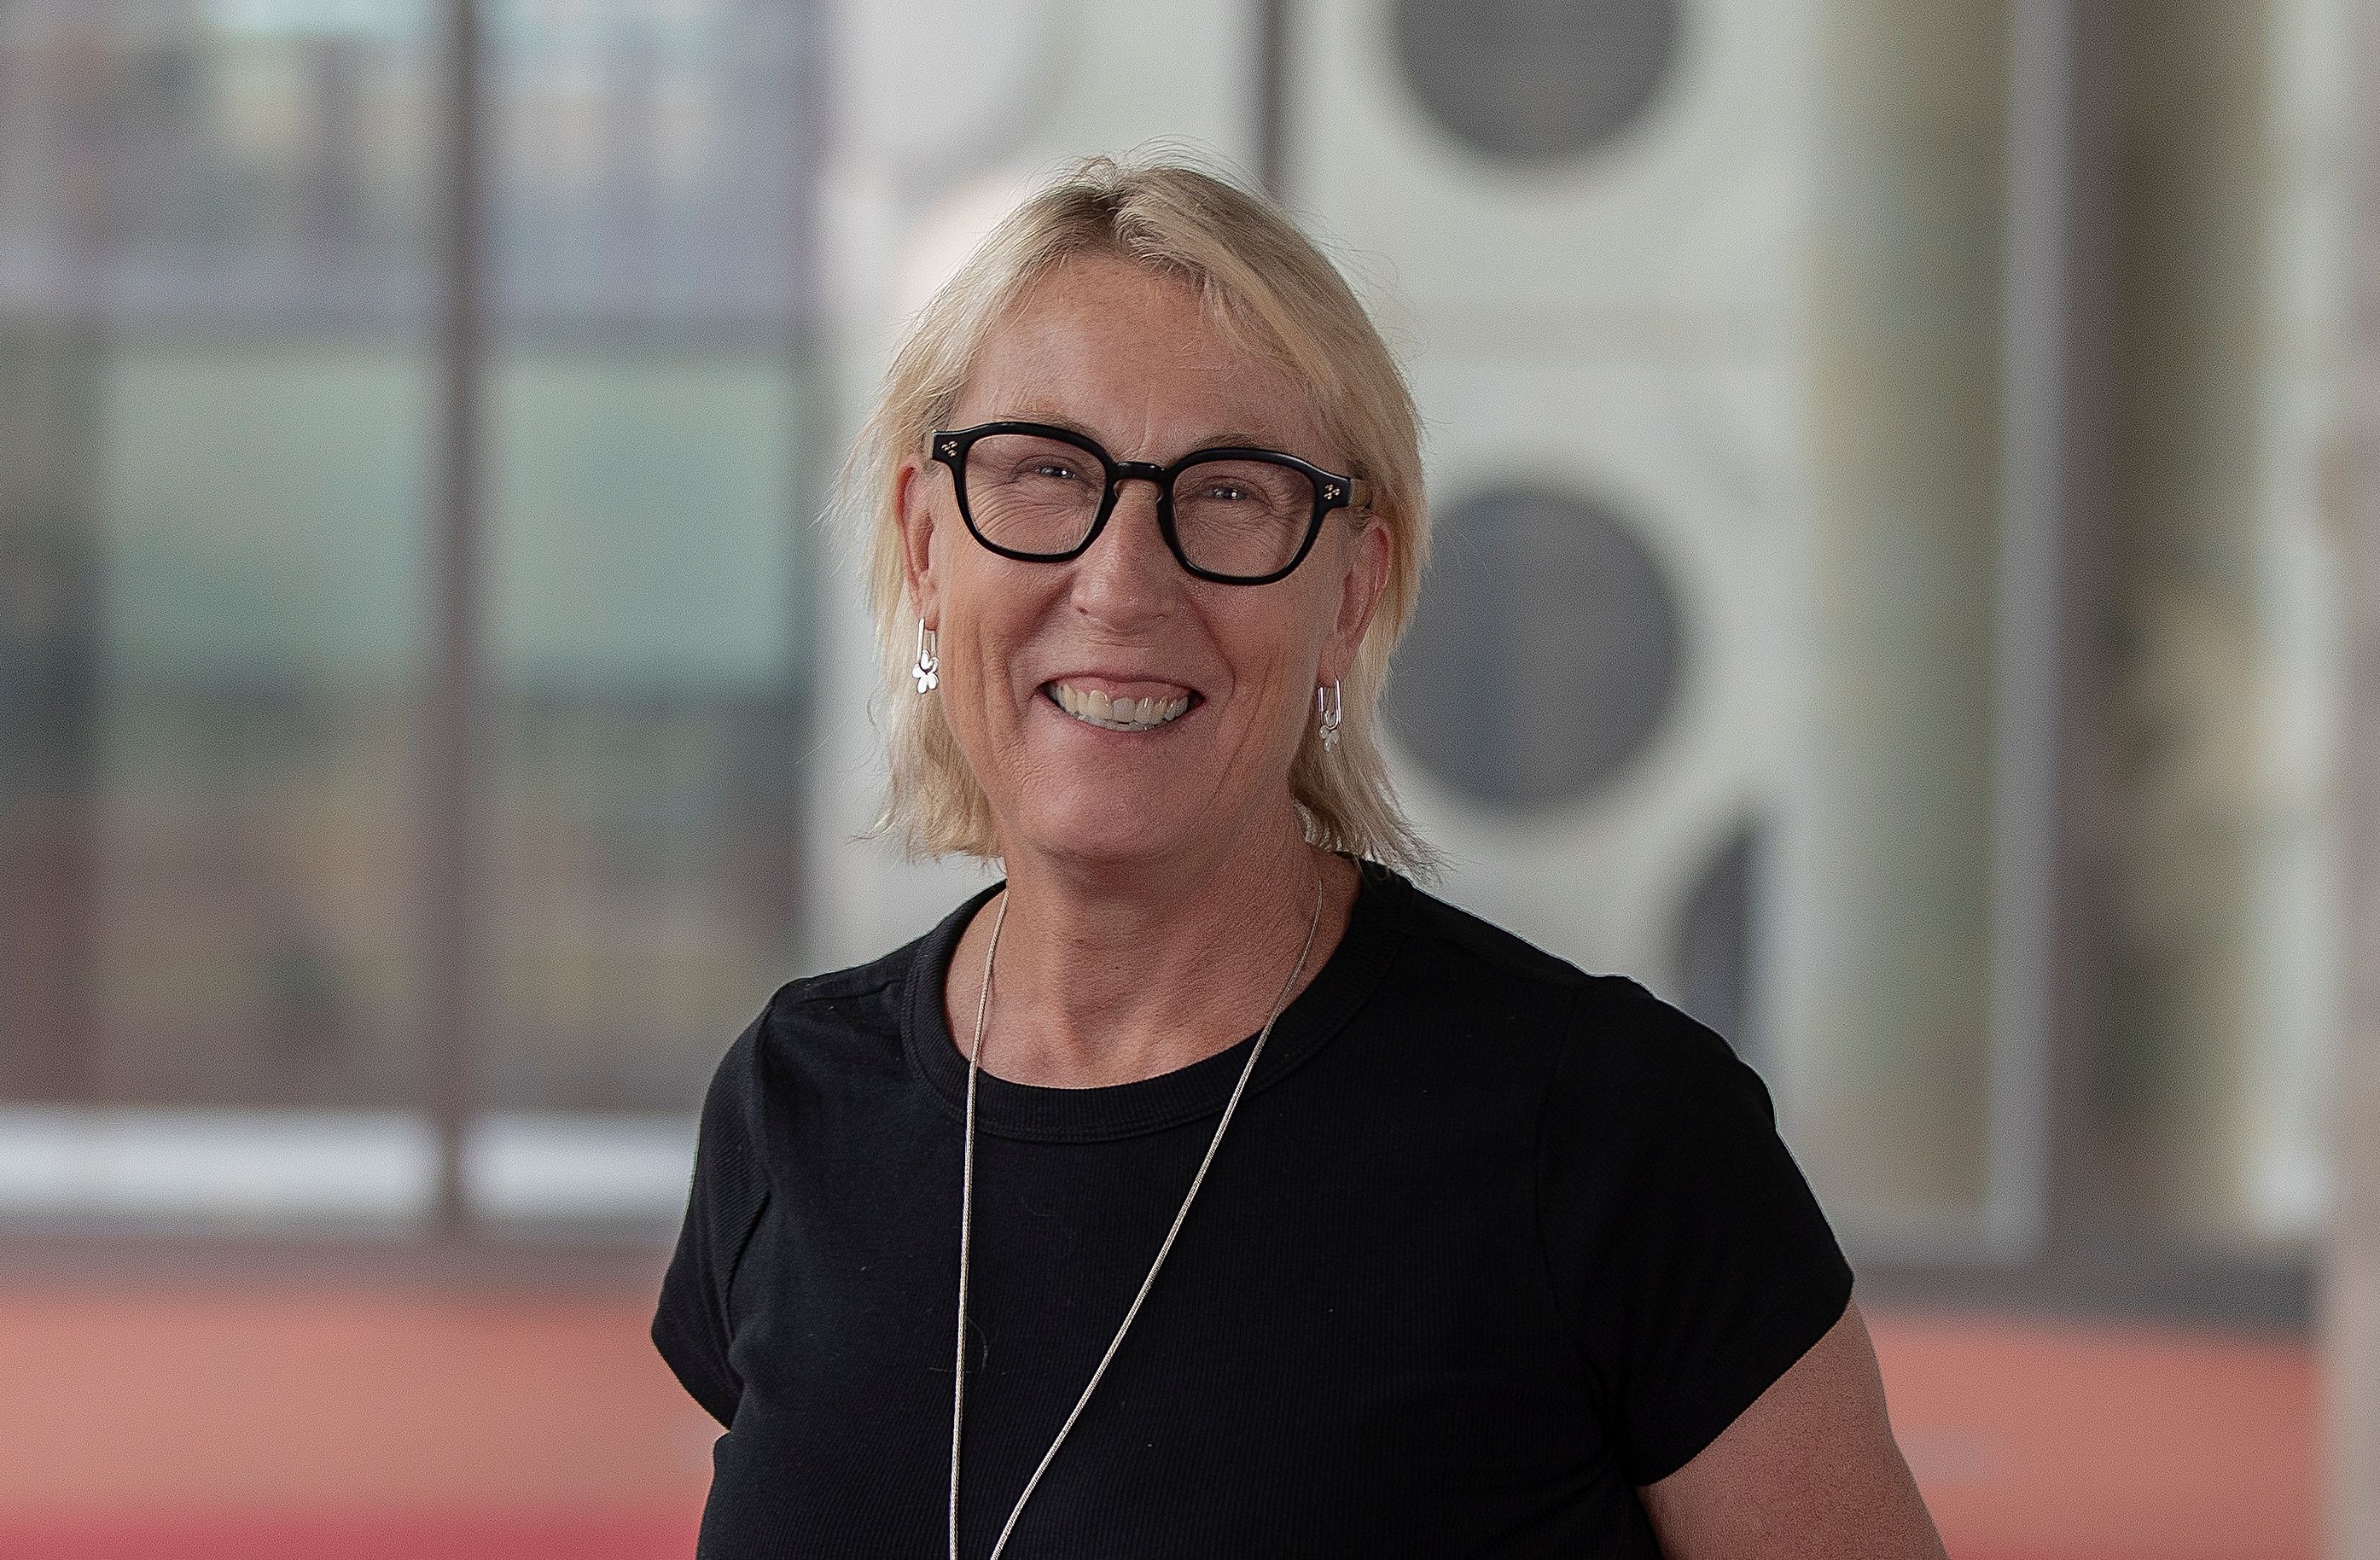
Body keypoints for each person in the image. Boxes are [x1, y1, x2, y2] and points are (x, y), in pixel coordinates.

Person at [653, 154, 1947, 1558]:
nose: (1122, 578)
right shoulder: (793, 1103)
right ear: (924, 542)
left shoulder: (1612, 1135)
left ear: (1350, 597)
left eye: (1229, 494)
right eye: (1040, 474)